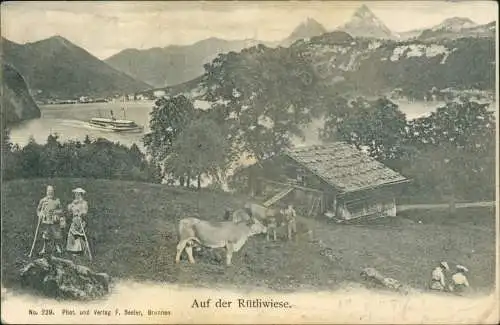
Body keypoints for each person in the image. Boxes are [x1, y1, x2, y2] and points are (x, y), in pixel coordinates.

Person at [36, 185, 64, 255]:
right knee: (46, 234)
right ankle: (44, 248)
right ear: (46, 192)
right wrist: (41, 214)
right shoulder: (43, 200)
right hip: (46, 221)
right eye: (49, 191)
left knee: (56, 234)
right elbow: (38, 210)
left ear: (53, 192)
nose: (50, 193)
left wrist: (56, 212)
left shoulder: (57, 200)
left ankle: (57, 247)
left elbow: (61, 210)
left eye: (51, 191)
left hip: (54, 221)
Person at [66, 188, 89, 255]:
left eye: (78, 194)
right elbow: (69, 209)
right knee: (72, 235)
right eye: (76, 194)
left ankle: (81, 249)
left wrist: (81, 213)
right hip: (75, 220)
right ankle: (73, 249)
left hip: (81, 221)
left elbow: (85, 211)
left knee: (80, 235)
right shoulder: (74, 203)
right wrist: (71, 206)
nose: (77, 196)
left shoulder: (84, 203)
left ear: (81, 195)